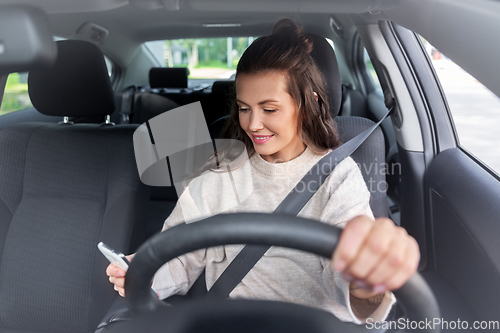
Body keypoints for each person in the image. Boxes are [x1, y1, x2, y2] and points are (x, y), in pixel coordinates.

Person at [107, 18, 419, 324]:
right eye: (244, 108)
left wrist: (365, 278)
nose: (253, 124)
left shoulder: (339, 176)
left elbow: (349, 275)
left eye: (269, 109)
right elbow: (179, 258)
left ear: (307, 103)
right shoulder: (220, 173)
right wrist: (142, 271)